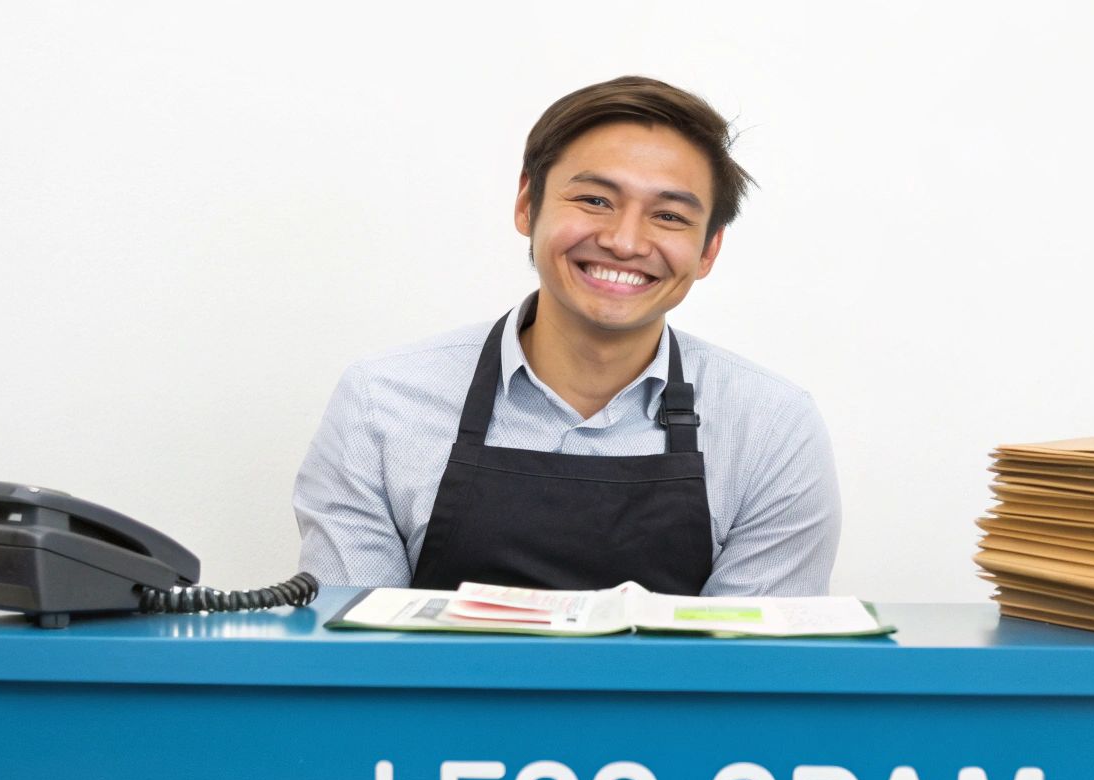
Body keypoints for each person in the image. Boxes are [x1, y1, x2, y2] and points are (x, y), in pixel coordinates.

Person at [293, 76, 840, 596]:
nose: (625, 242)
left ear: (708, 251)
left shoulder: (772, 427)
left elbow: (745, 671)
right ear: (527, 204)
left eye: (669, 216)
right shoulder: (382, 403)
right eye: (595, 201)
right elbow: (357, 649)